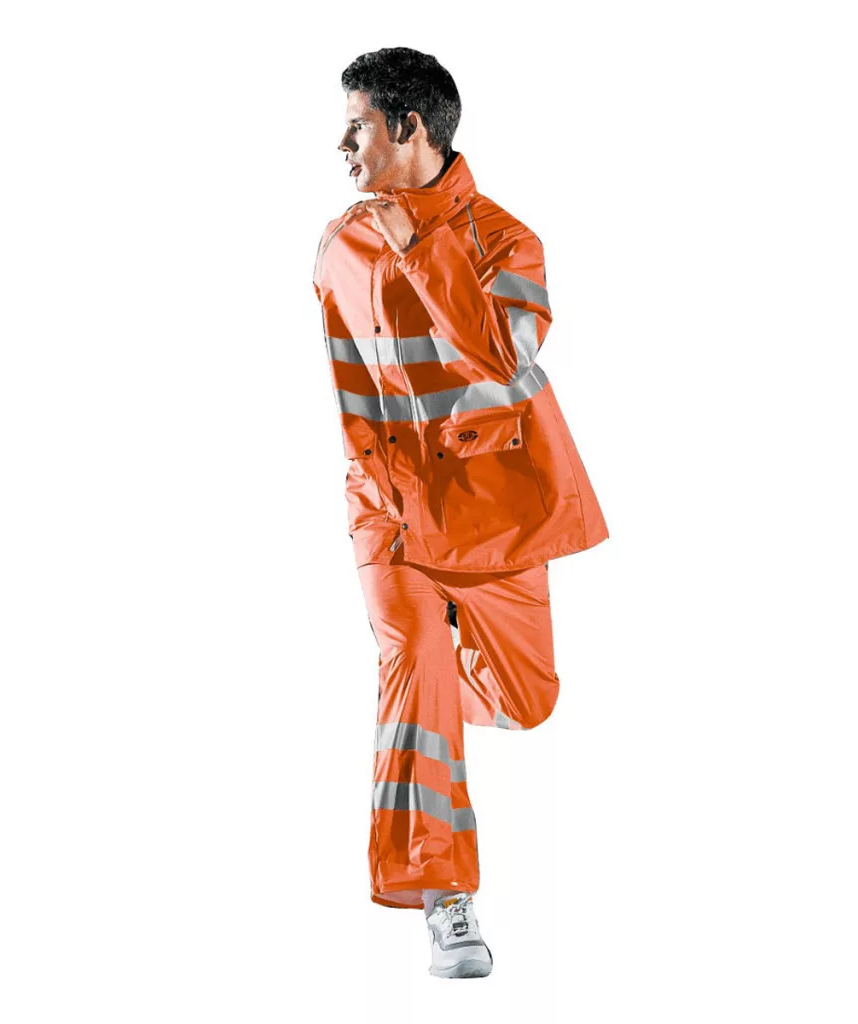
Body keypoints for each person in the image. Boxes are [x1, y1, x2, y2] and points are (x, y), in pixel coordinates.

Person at [311, 46, 609, 979]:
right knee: (416, 670)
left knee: (530, 699)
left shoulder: (509, 242)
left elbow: (504, 364)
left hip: (493, 518)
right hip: (390, 512)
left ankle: (444, 665)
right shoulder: (338, 244)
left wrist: (420, 245)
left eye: (357, 126)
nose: (340, 146)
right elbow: (352, 382)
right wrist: (372, 487)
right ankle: (446, 895)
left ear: (409, 127)